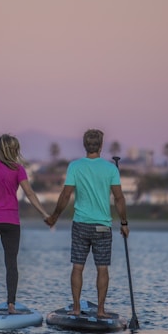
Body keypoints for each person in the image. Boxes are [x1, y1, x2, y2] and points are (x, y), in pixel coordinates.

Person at [45, 129, 129, 318]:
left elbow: (66, 195)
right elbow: (119, 198)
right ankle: (100, 310)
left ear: (85, 145)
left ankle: (76, 309)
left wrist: (54, 217)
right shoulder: (111, 169)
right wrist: (124, 222)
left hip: (81, 224)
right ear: (101, 146)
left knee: (77, 267)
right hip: (102, 226)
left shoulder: (75, 166)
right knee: (102, 268)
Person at [0, 134, 49, 314]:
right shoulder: (18, 169)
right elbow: (29, 194)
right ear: (14, 149)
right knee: (11, 263)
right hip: (11, 222)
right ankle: (11, 305)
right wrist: (44, 213)